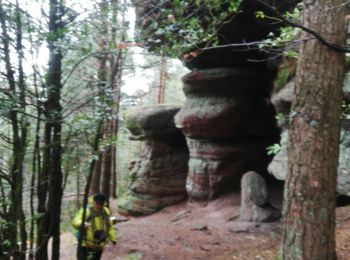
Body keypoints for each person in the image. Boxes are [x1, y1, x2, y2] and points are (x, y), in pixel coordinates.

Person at [72, 193, 117, 260]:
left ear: (103, 203)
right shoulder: (87, 210)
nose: (99, 205)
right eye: (97, 203)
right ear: (93, 201)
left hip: (99, 245)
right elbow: (75, 221)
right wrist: (82, 223)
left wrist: (113, 238)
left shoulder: (106, 211)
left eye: (101, 203)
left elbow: (109, 226)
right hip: (86, 245)